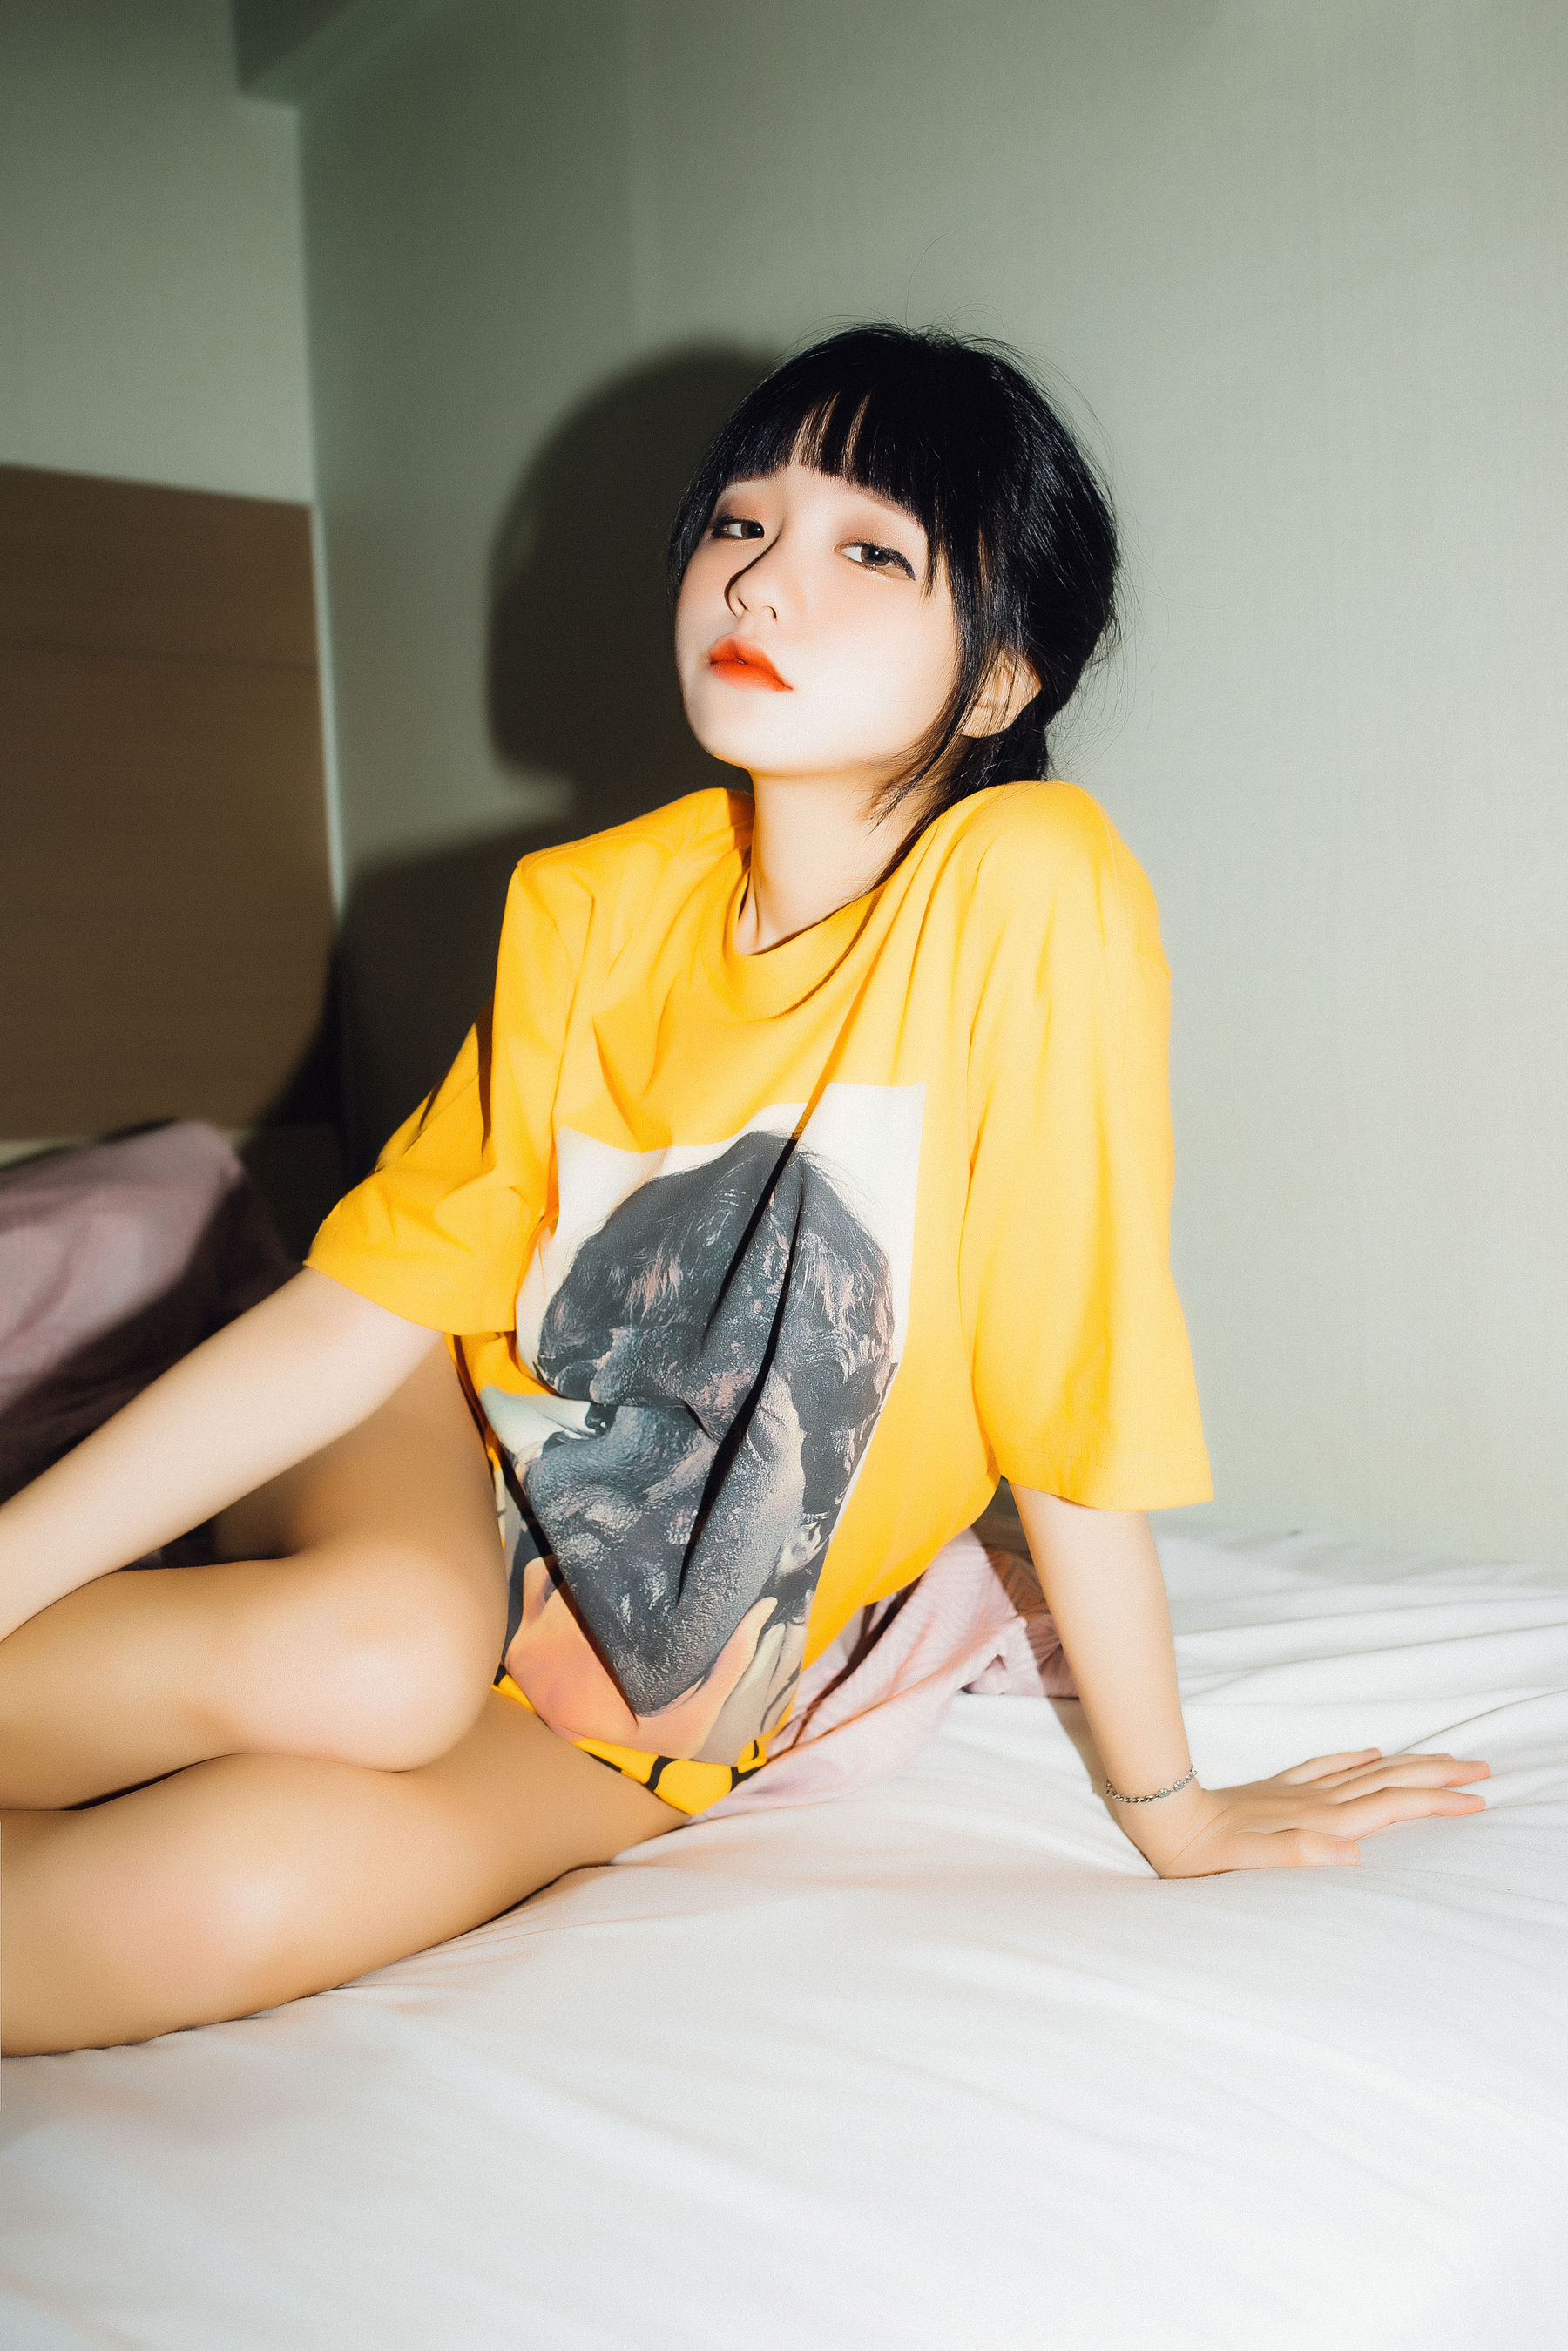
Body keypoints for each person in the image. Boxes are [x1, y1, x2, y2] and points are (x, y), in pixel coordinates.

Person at [0, 327, 1488, 2057]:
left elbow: (1067, 1376)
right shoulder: (592, 909)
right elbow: (363, 1310)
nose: (765, 579)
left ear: (1001, 681)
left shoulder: (1022, 887)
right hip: (426, 1453)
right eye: (740, 523)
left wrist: (1175, 1807)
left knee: (209, 1906)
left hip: (639, 1708)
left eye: (872, 551)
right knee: (377, 1656)